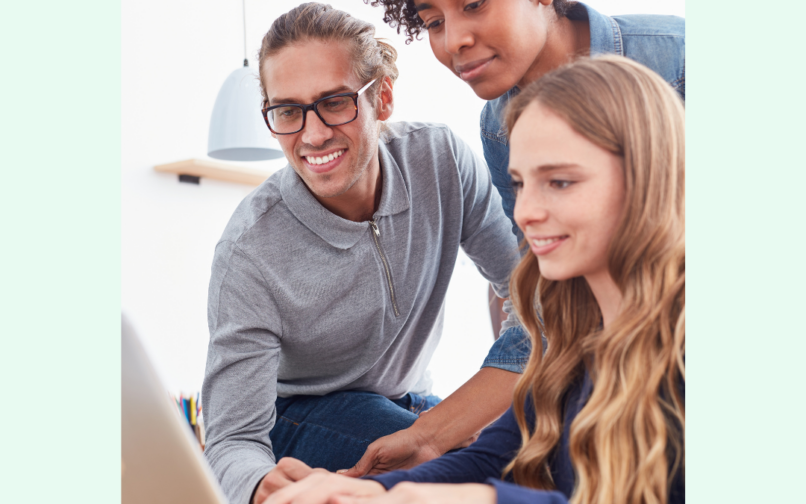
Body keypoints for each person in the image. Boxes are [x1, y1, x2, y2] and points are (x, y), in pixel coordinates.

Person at [259, 55, 685, 504]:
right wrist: (365, 492)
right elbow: (489, 458)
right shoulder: (577, 343)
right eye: (520, 184)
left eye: (558, 182)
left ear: (645, 178)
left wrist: (481, 501)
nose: (525, 213)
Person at [201, 4, 532, 504]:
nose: (312, 135)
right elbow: (231, 438)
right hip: (300, 415)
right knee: (489, 477)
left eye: (335, 102)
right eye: (287, 111)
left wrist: (457, 417)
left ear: (382, 96)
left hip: (414, 401)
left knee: (541, 456)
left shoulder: (440, 161)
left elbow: (532, 298)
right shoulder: (250, 249)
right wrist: (256, 483)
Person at [367, 0, 685, 239]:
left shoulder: (681, 61)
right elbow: (540, 284)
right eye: (434, 23)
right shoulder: (497, 130)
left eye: (474, 4)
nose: (453, 41)